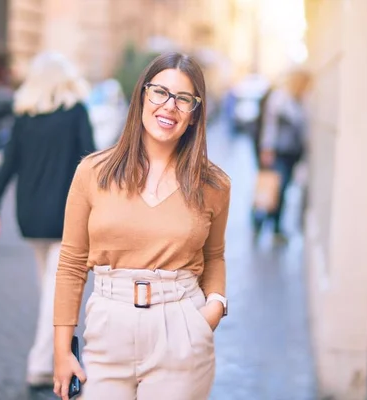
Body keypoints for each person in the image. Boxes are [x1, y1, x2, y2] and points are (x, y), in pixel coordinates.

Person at [52, 52, 231, 400]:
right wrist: (62, 350)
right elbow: (72, 263)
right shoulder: (93, 172)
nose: (169, 106)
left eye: (184, 99)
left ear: (195, 114)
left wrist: (215, 308)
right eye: (160, 92)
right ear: (142, 96)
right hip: (107, 327)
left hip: (182, 328)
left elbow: (215, 255)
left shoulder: (214, 184)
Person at [0, 51, 97, 387]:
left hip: (30, 215)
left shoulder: (25, 116)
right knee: (57, 295)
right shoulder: (76, 113)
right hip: (64, 217)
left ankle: (53, 357)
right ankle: (42, 364)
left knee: (51, 290)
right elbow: (90, 161)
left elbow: (8, 163)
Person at [254, 69, 311, 243]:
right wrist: (266, 149)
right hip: (278, 152)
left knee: (281, 191)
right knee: (272, 189)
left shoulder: (299, 100)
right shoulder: (280, 98)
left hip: (291, 154)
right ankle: (259, 223)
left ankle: (274, 227)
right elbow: (269, 126)